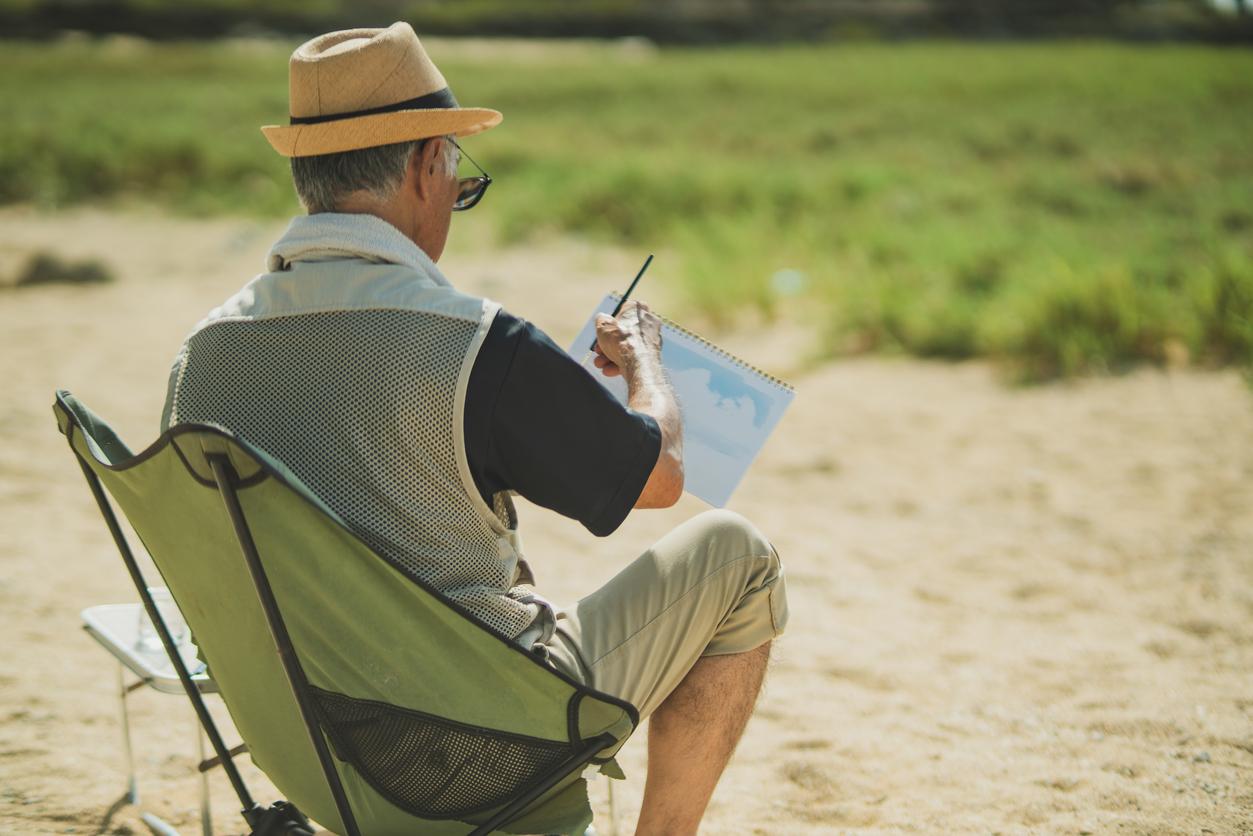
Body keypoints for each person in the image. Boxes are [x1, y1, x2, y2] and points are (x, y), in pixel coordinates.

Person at [161, 22, 787, 835]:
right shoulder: (473, 344)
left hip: (305, 749)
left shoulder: (201, 355)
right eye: (460, 177)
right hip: (474, 748)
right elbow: (658, 477)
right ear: (427, 164)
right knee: (738, 556)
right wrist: (642, 362)